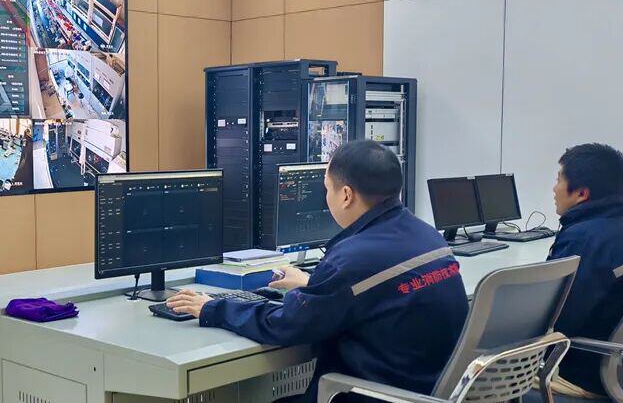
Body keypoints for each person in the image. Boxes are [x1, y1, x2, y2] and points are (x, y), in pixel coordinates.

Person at [167, 140, 468, 403]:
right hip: (423, 391)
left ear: (346, 195)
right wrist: (313, 283)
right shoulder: (428, 236)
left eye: (327, 189)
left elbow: (285, 326)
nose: (326, 197)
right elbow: (379, 293)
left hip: (372, 395)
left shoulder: (351, 260)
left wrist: (213, 308)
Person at [546, 143, 623, 396]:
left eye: (558, 180)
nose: (554, 189)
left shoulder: (582, 241)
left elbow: (555, 321)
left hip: (581, 373)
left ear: (581, 193)